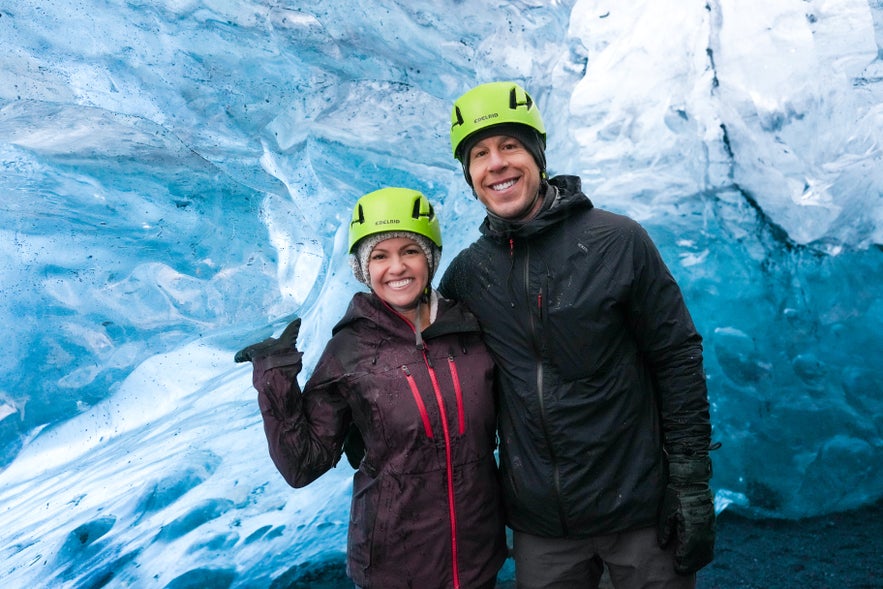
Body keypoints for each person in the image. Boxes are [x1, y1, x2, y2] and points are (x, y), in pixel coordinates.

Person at [439, 81, 716, 589]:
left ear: (538, 156)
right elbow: (429, 364)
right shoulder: (467, 276)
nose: (496, 164)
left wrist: (690, 481)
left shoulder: (617, 240)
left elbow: (676, 356)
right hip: (543, 528)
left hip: (638, 511)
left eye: (510, 146)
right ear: (470, 177)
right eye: (479, 154)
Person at [234, 187, 507, 589]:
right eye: (380, 256)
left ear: (430, 258)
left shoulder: (469, 330)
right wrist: (275, 374)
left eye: (410, 251)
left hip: (478, 561)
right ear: (363, 268)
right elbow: (302, 465)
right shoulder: (349, 350)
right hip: (395, 569)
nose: (397, 267)